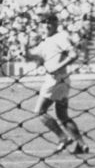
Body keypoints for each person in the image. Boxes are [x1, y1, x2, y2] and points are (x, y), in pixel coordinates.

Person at [30, 12, 89, 155]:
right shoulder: (46, 40)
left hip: (55, 80)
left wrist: (56, 67)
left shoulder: (60, 37)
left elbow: (74, 54)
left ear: (56, 23)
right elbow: (33, 55)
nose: (47, 24)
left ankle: (63, 137)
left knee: (39, 112)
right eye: (44, 22)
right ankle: (82, 145)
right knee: (62, 115)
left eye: (50, 22)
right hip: (63, 80)